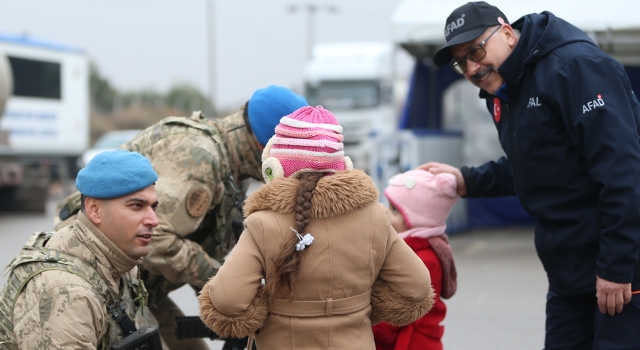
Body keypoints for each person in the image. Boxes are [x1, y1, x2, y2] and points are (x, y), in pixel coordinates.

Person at [424, 2, 640, 348]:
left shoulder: (575, 68)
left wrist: (616, 267)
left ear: (507, 33)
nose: (471, 67)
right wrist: (466, 180)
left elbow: (624, 174)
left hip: (622, 269)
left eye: (476, 50)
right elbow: (535, 166)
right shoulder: (507, 88)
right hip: (569, 274)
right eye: (461, 61)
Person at [53, 84, 308, 349]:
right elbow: (157, 238)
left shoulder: (235, 165)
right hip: (99, 279)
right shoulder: (203, 159)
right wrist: (220, 278)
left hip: (141, 284)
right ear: (261, 144)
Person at [197, 105, 435, 350]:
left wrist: (265, 309)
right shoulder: (376, 217)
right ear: (343, 165)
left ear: (274, 169)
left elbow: (227, 300)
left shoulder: (263, 224)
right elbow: (416, 287)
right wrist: (361, 307)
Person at [0, 150, 159, 349]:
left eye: (154, 207)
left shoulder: (120, 262)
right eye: (137, 206)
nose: (154, 220)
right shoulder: (64, 292)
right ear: (94, 209)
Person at [372, 169, 458, 350]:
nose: (387, 214)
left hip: (411, 341)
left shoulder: (423, 257)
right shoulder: (414, 248)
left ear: (417, 219)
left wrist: (374, 329)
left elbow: (402, 306)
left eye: (395, 210)